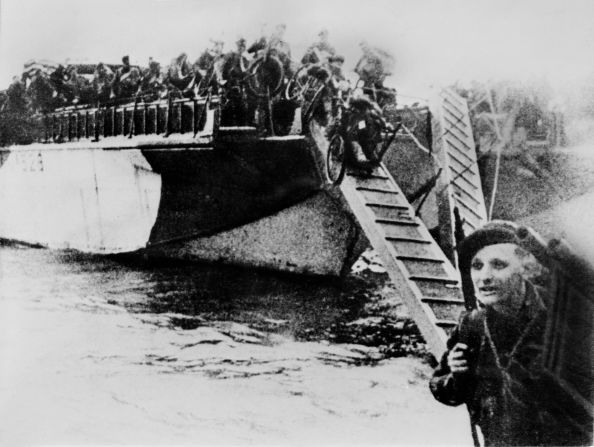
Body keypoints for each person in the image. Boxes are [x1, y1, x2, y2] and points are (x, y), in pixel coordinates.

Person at [429, 221, 584, 446]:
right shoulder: (471, 326)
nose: (485, 277)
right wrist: (457, 374)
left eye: (499, 265)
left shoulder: (561, 316)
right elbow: (444, 390)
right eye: (477, 266)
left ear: (525, 269)